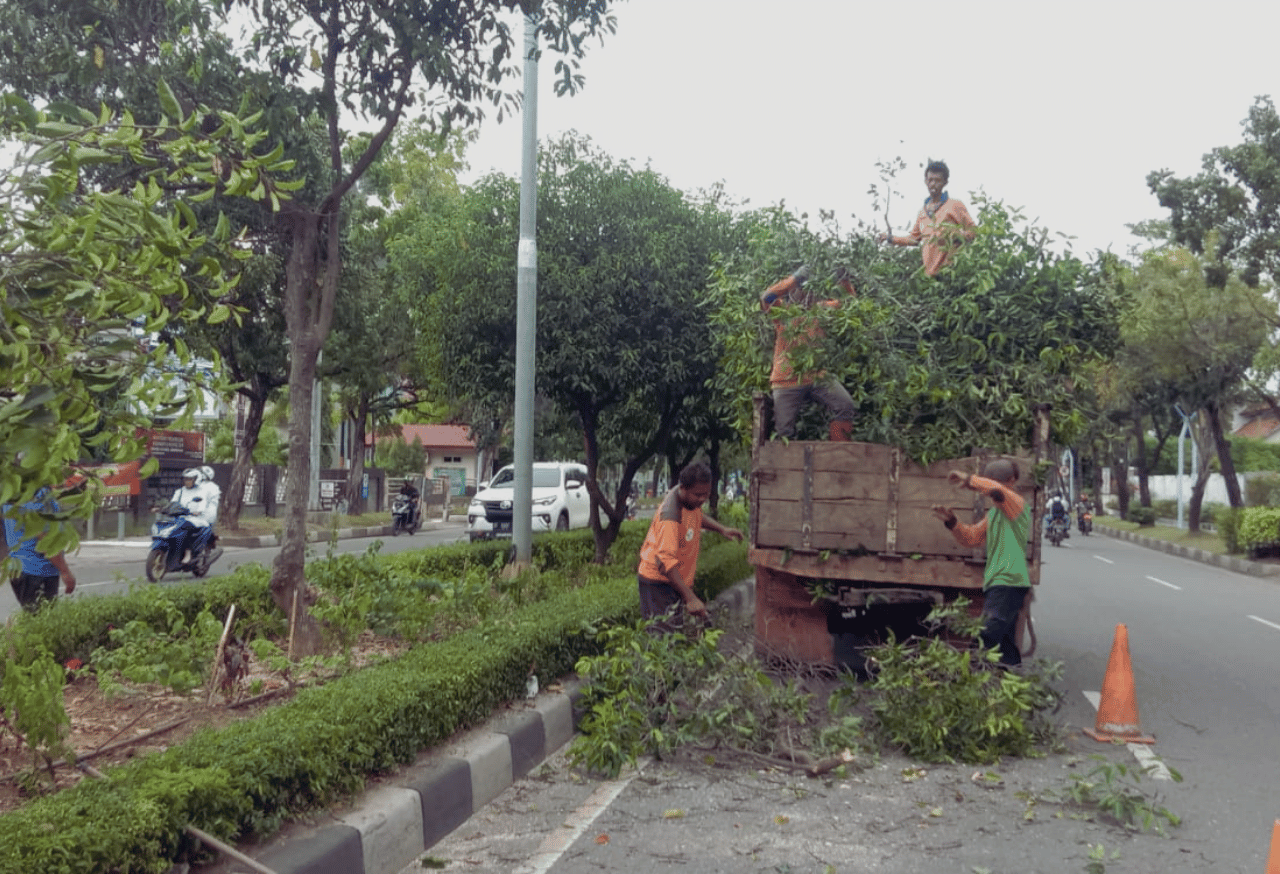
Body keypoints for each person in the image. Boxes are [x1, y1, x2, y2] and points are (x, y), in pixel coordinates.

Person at [931, 459, 1031, 666]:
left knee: (986, 635)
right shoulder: (994, 514)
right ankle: (1011, 679)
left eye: (992, 483)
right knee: (1004, 644)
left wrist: (969, 480)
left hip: (1008, 581)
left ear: (1011, 482)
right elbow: (972, 538)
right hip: (998, 582)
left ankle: (969, 673)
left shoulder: (1017, 505)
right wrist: (952, 522)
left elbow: (996, 491)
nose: (985, 492)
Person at [637, 462, 744, 630]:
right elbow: (664, 562)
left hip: (674, 580)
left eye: (706, 494)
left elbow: (697, 516)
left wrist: (722, 529)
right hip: (658, 583)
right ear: (683, 488)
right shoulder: (670, 516)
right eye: (698, 495)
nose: (702, 499)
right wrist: (690, 597)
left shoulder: (690, 503)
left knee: (675, 633)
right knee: (663, 640)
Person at [762, 265, 857, 441]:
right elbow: (767, 297)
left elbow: (849, 304)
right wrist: (795, 278)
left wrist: (844, 279)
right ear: (793, 292)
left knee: (845, 406)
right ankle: (787, 466)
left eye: (810, 290)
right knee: (784, 431)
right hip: (786, 379)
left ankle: (838, 455)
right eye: (801, 289)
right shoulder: (782, 311)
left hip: (816, 376)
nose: (806, 294)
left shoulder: (820, 310)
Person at [878, 160, 977, 276]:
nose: (933, 184)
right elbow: (914, 239)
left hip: (952, 272)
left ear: (945, 182)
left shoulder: (955, 205)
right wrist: (890, 238)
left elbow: (974, 231)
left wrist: (957, 236)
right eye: (930, 180)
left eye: (937, 180)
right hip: (930, 276)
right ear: (925, 181)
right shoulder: (922, 213)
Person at [3, 488, 77, 612]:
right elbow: (45, 540)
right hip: (37, 570)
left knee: (33, 618)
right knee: (42, 622)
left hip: (21, 567)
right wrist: (65, 571)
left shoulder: (13, 492)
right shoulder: (38, 494)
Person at [170, 467, 220, 564]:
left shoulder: (204, 491)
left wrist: (198, 511)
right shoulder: (180, 491)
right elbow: (173, 503)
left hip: (198, 518)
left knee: (185, 528)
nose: (187, 481)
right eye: (185, 479)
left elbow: (204, 506)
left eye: (190, 479)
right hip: (182, 516)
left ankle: (188, 552)